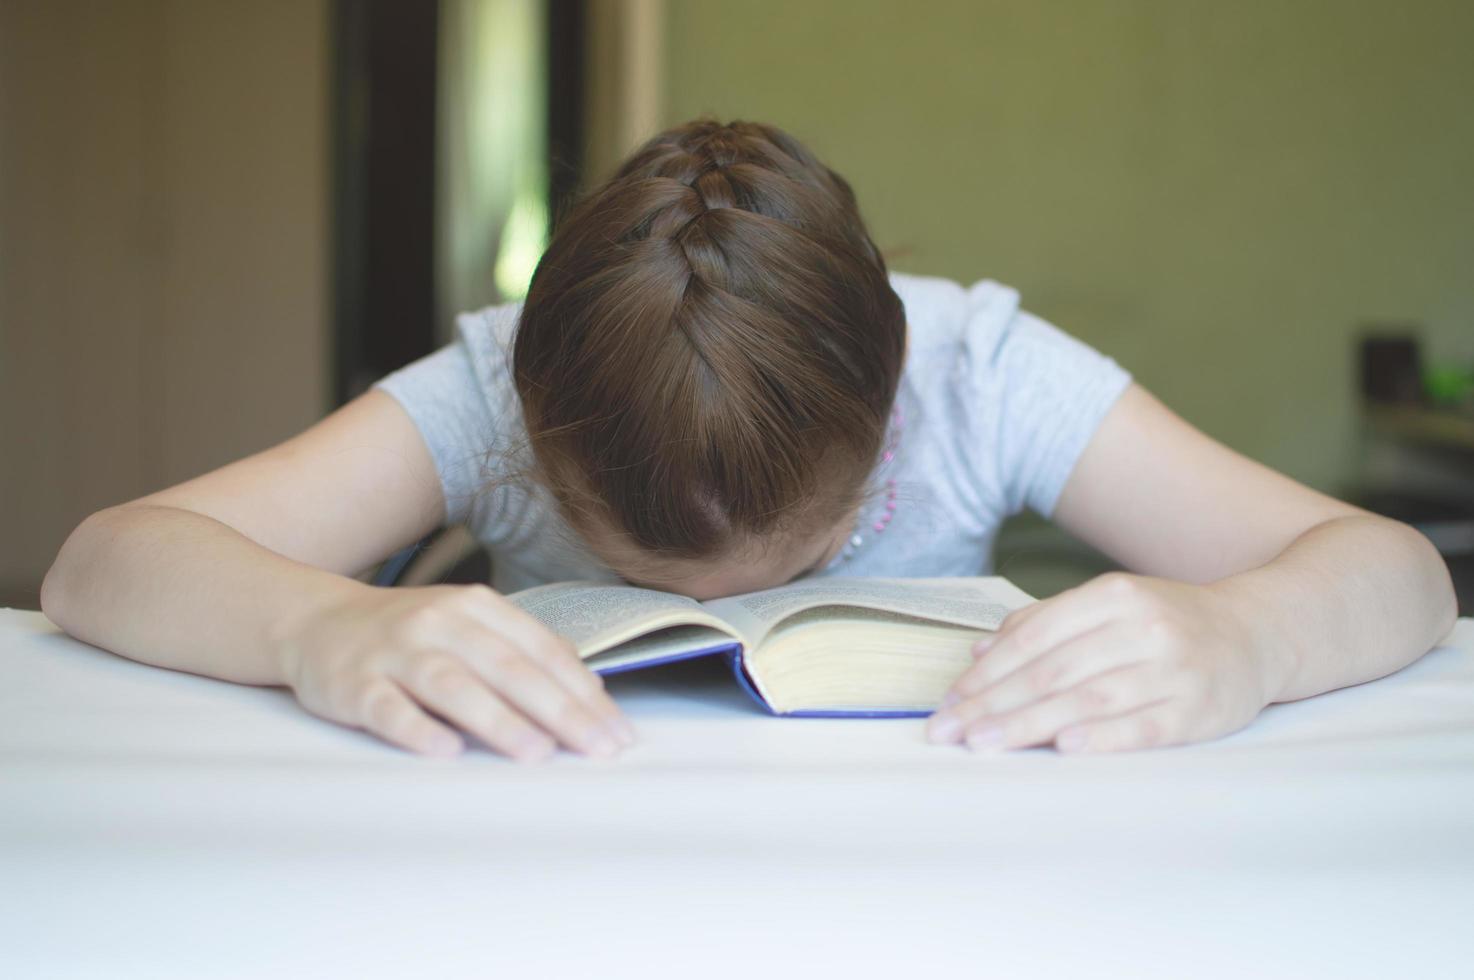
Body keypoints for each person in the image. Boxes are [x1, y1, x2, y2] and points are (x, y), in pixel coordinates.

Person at [41, 118, 1457, 764]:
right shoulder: (486, 390)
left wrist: (1248, 641)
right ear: (531, 433)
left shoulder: (979, 370)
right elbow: (105, 563)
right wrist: (318, 630)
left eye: (798, 556)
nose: (712, 619)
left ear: (890, 411)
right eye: (640, 571)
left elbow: (1394, 570)